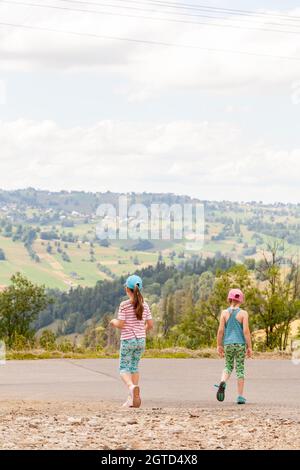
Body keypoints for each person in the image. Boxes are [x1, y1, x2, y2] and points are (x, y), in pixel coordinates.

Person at [110, 274, 153, 408]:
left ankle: (131, 387)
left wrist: (113, 321)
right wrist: (141, 331)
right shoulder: (145, 305)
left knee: (123, 368)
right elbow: (150, 325)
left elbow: (121, 324)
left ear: (127, 289)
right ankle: (131, 399)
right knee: (134, 367)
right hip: (141, 341)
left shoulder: (124, 305)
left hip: (128, 340)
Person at [215, 288, 252, 405]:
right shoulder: (243, 313)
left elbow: (220, 331)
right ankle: (240, 397)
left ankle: (222, 382)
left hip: (228, 344)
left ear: (229, 299)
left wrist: (219, 345)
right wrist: (249, 347)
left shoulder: (224, 313)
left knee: (228, 366)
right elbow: (246, 331)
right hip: (240, 345)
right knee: (240, 369)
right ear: (241, 300)